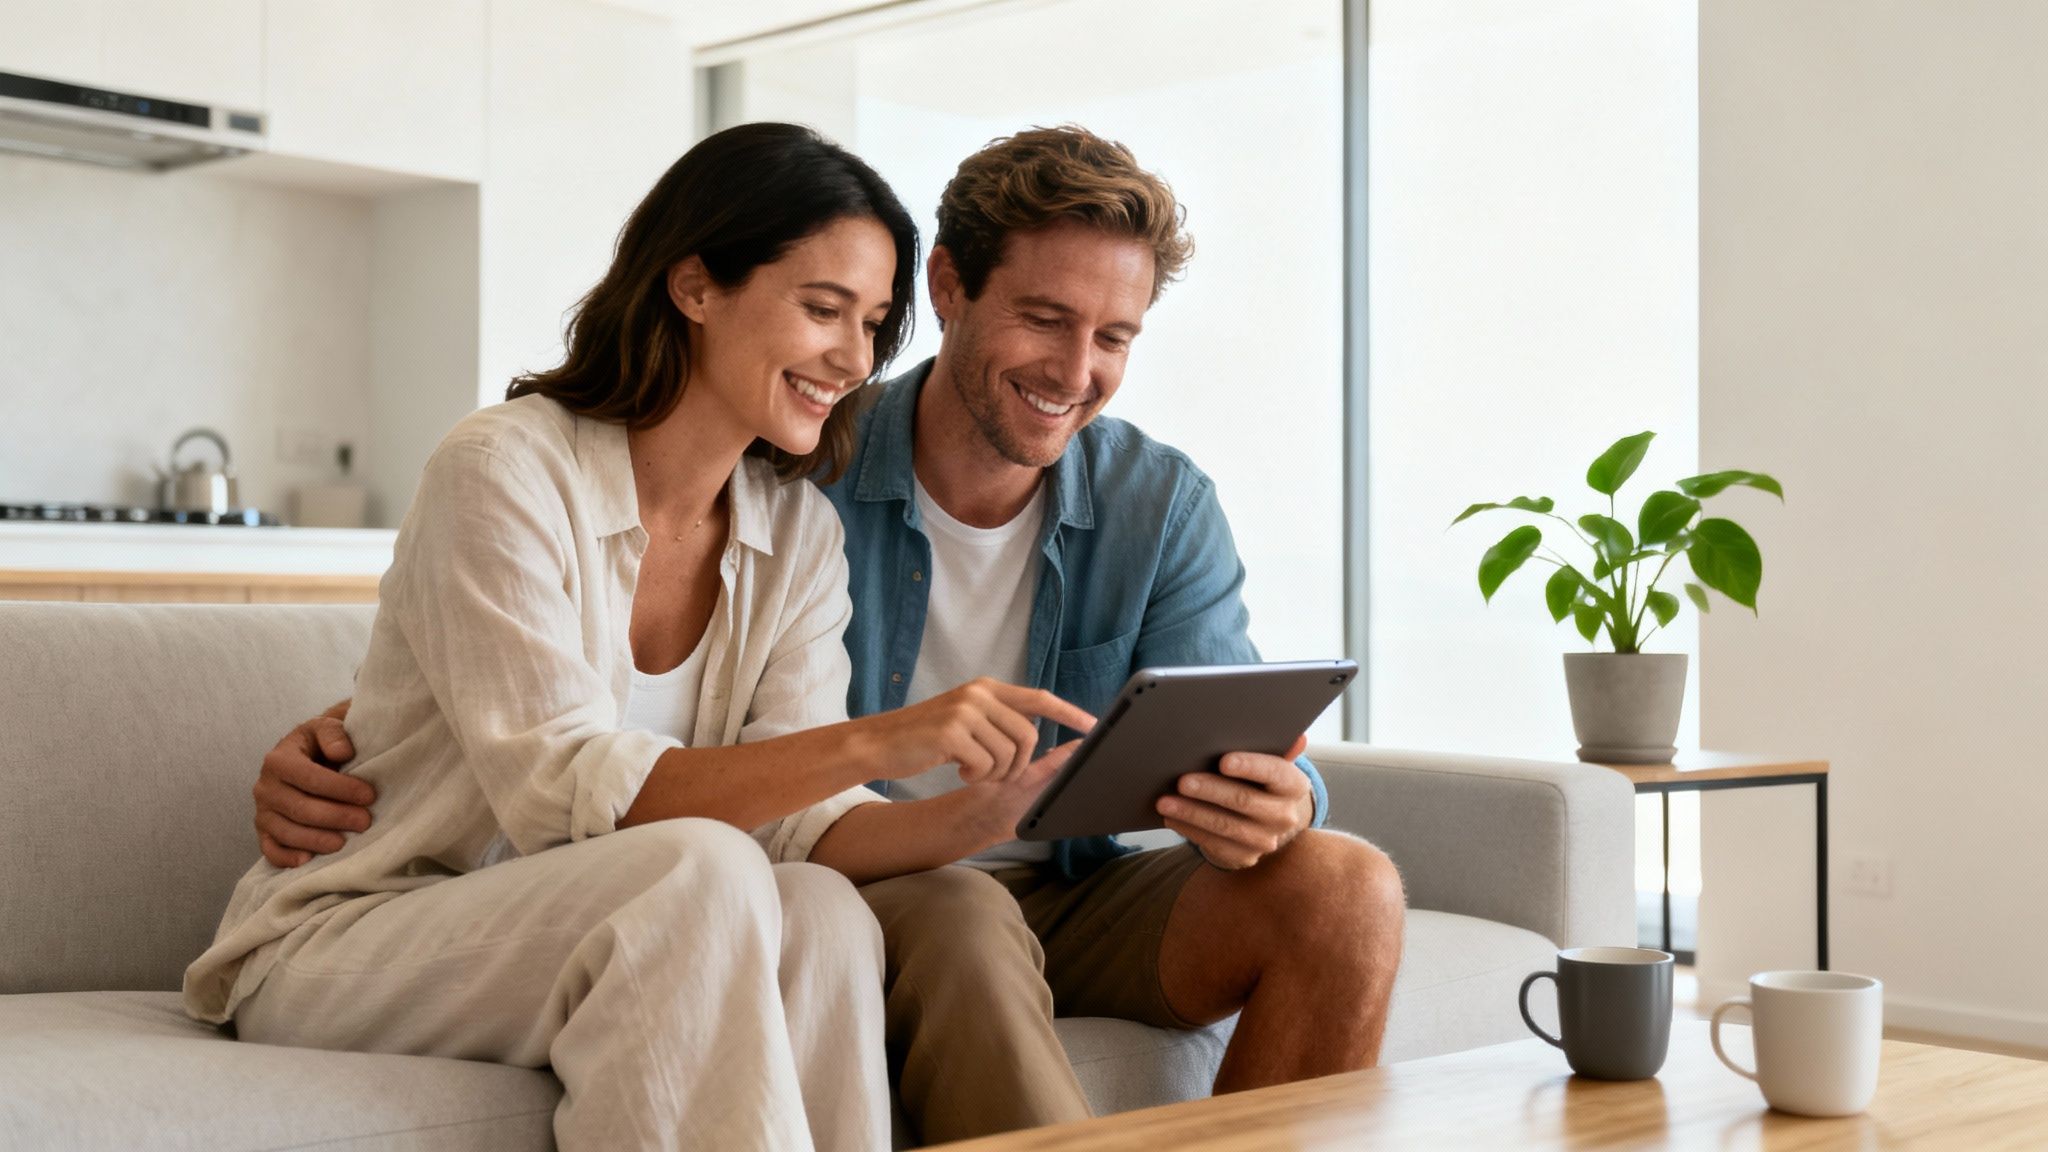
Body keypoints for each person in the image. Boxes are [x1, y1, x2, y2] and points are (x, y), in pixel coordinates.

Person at [252, 125, 1407, 1146]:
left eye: (1114, 335)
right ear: (952, 292)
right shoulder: (796, 453)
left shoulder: (792, 509)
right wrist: (348, 730)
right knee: (772, 879)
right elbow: (543, 743)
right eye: (1045, 319)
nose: (1075, 370)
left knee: (1340, 884)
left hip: (987, 875)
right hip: (743, 892)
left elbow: (794, 815)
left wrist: (1258, 794)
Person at [188, 122, 1092, 1152]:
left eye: (873, 322)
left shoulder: (793, 529)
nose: (853, 358)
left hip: (583, 929)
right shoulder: (503, 471)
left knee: (823, 909)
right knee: (697, 871)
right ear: (694, 285)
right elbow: (556, 792)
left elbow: (804, 827)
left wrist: (997, 811)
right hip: (362, 932)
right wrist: (887, 739)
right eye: (821, 309)